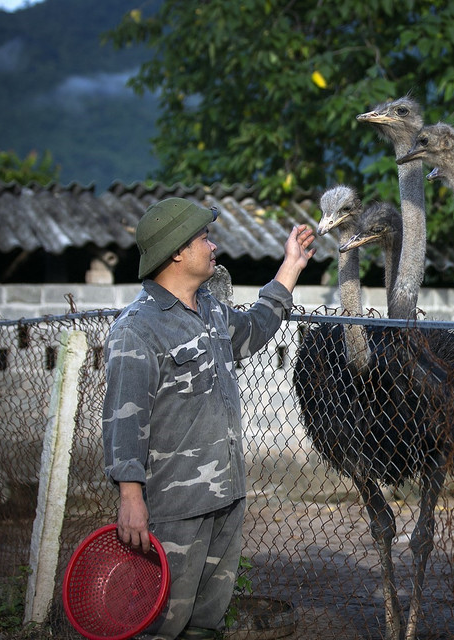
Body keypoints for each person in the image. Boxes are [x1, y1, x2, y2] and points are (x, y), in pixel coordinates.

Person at [102, 197, 316, 640]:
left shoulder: (211, 310)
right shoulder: (137, 329)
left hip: (226, 499)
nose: (213, 245)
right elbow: (124, 420)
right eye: (204, 238)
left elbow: (257, 327)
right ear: (178, 251)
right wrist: (130, 497)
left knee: (206, 624)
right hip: (175, 511)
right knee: (160, 624)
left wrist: (291, 266)